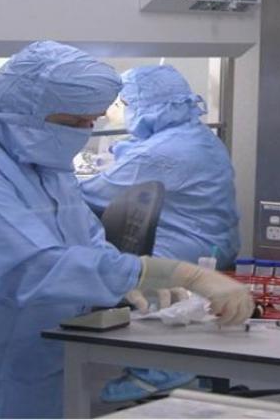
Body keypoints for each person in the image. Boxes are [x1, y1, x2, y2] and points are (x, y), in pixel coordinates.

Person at [0, 41, 253, 418]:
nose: (84, 132)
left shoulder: (41, 159)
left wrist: (128, 278)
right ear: (25, 110)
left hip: (35, 364)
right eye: (74, 122)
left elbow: (85, 236)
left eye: (91, 121)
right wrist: (170, 272)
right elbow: (33, 267)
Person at [80, 65, 241, 403]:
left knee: (118, 273)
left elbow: (93, 192)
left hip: (184, 247)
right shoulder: (192, 136)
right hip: (207, 239)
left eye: (123, 103)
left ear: (147, 105)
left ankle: (164, 372)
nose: (118, 112)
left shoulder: (164, 151)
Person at [81, 65, 240, 269]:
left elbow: (90, 195)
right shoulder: (197, 135)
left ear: (139, 106)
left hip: (178, 256)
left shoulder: (158, 153)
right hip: (214, 247)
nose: (106, 113)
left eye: (119, 103)